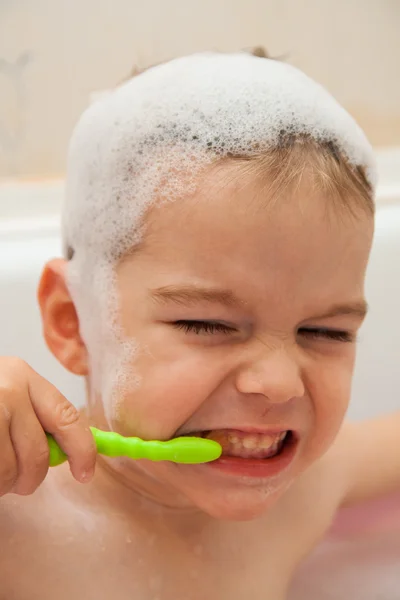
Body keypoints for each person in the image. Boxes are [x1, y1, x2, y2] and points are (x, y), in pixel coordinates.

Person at [0, 48, 399, 600]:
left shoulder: (307, 489)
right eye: (207, 324)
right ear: (72, 322)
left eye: (325, 332)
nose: (279, 383)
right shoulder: (18, 523)